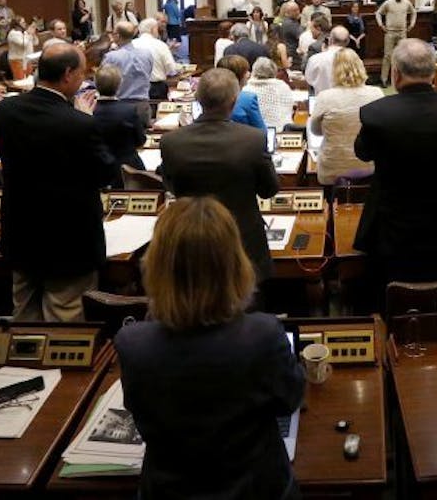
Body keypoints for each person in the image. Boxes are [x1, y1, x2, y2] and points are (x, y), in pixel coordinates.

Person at [114, 196, 304, 499]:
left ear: (157, 265)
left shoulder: (132, 343)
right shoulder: (264, 334)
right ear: (234, 262)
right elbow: (290, 400)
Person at [0, 45, 119, 321]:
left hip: (22, 232)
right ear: (67, 74)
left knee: (23, 313)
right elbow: (106, 172)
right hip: (69, 241)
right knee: (66, 319)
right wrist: (85, 119)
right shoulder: (79, 124)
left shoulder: (5, 110)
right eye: (82, 73)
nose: (84, 78)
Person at [354, 39, 437, 284]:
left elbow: (362, 153)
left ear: (396, 74)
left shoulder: (376, 114)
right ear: (434, 71)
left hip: (395, 225)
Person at [160, 68, 279, 283]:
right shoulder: (253, 139)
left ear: (198, 99)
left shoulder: (171, 142)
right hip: (242, 240)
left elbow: (171, 187)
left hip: (191, 239)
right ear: (234, 101)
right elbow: (268, 190)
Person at [309, 49, 383, 183]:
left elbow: (315, 131)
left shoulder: (325, 97)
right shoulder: (376, 94)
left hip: (333, 169)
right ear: (360, 66)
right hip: (369, 167)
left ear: (335, 70)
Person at [92, 64, 147, 172]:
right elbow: (140, 140)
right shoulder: (129, 110)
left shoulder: (88, 110)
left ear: (96, 84)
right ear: (119, 85)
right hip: (128, 169)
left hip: (97, 169)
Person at [375, 0, 416, 85]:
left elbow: (414, 12)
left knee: (403, 56)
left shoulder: (406, 3)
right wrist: (381, 24)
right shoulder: (388, 3)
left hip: (402, 32)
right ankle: (384, 79)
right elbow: (378, 13)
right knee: (388, 56)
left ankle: (402, 79)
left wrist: (412, 24)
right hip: (390, 32)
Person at [218, 54, 267, 130]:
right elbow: (262, 132)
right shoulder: (248, 99)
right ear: (239, 75)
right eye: (246, 71)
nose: (249, 74)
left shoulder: (211, 95)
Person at [246, 56, 295, 130]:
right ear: (274, 71)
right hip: (284, 131)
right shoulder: (282, 86)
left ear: (254, 70)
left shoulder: (246, 89)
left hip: (257, 133)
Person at [305, 25, 350, 93]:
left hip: (321, 99)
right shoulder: (353, 59)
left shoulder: (315, 59)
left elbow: (309, 80)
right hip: (345, 101)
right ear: (347, 41)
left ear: (330, 40)